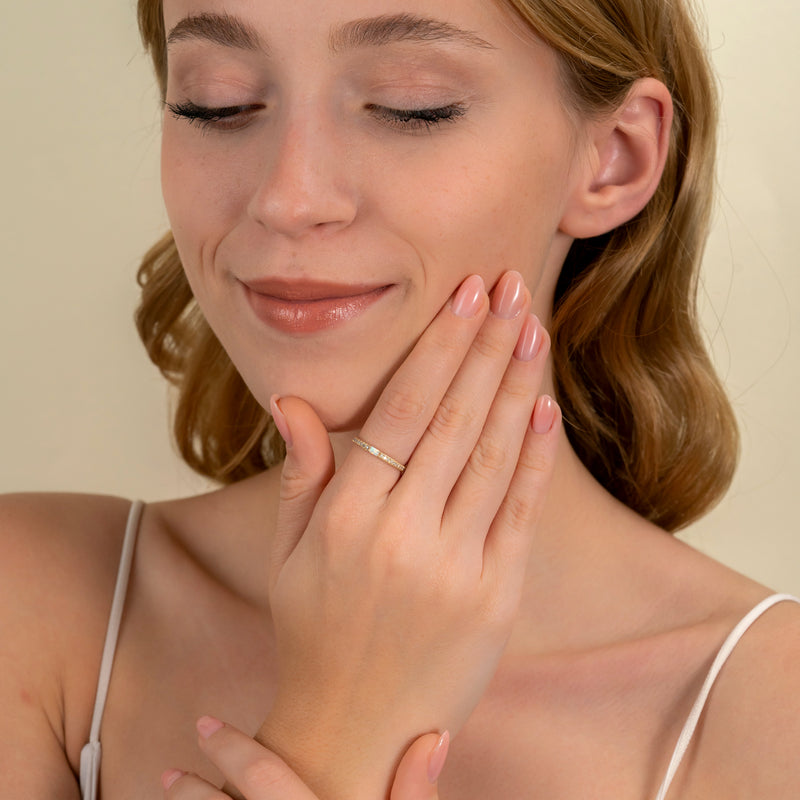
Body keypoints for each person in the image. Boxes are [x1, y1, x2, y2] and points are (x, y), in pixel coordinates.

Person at [2, 0, 799, 798]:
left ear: (614, 159)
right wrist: (339, 727)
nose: (288, 198)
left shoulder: (773, 717)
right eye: (218, 103)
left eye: (411, 105)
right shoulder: (31, 601)